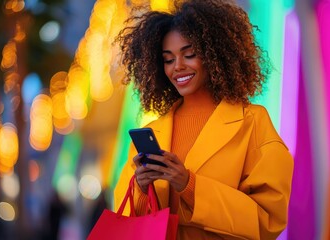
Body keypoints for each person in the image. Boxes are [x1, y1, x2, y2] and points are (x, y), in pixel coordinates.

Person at [113, 0, 294, 239]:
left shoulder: (253, 123)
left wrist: (189, 185)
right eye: (168, 59)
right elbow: (127, 221)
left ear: (215, 54)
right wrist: (141, 189)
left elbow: (268, 219)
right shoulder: (151, 132)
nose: (177, 67)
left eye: (189, 54)